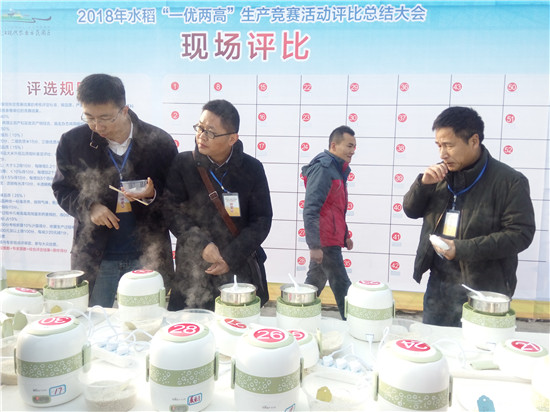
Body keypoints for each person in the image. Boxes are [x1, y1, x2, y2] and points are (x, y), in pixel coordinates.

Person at [52, 73, 178, 307]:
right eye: (89, 117)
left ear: (124, 110)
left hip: (147, 255)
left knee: (145, 320)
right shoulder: (73, 142)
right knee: (94, 320)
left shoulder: (159, 142)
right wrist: (89, 207)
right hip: (97, 256)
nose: (97, 126)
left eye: (105, 118)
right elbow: (62, 189)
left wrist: (152, 195)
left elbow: (177, 196)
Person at [403, 106, 536, 327]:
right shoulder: (439, 175)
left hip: (484, 289)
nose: (442, 154)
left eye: (449, 145)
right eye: (438, 145)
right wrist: (423, 185)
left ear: (474, 141)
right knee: (435, 342)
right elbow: (411, 211)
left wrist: (462, 249)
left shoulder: (510, 181)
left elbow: (520, 234)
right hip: (439, 286)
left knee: (479, 347)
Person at [165, 99, 272, 311]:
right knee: (189, 326)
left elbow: (261, 220)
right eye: (200, 128)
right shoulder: (183, 164)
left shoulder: (252, 168)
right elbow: (171, 211)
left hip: (236, 269)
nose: (201, 136)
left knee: (236, 324)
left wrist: (230, 257)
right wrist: (202, 244)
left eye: (211, 132)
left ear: (232, 138)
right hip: (193, 269)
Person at [302, 125, 357, 319]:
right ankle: (353, 322)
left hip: (330, 239)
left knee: (314, 284)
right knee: (343, 286)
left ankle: (298, 316)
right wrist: (314, 245)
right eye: (349, 146)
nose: (352, 151)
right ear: (334, 145)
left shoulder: (337, 169)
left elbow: (336, 208)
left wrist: (345, 235)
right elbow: (311, 209)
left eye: (354, 147)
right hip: (325, 242)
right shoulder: (324, 168)